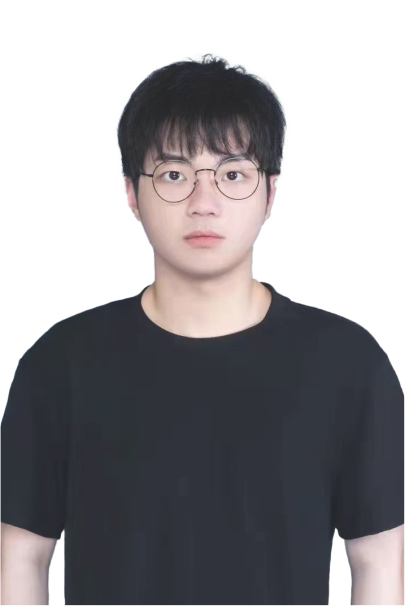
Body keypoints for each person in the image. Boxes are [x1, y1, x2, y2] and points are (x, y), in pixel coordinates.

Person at [0, 51, 404, 606]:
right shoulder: (61, 365)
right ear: (130, 193)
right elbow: (22, 555)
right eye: (174, 174)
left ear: (271, 192)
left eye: (233, 174)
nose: (204, 202)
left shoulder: (347, 365)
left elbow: (380, 560)